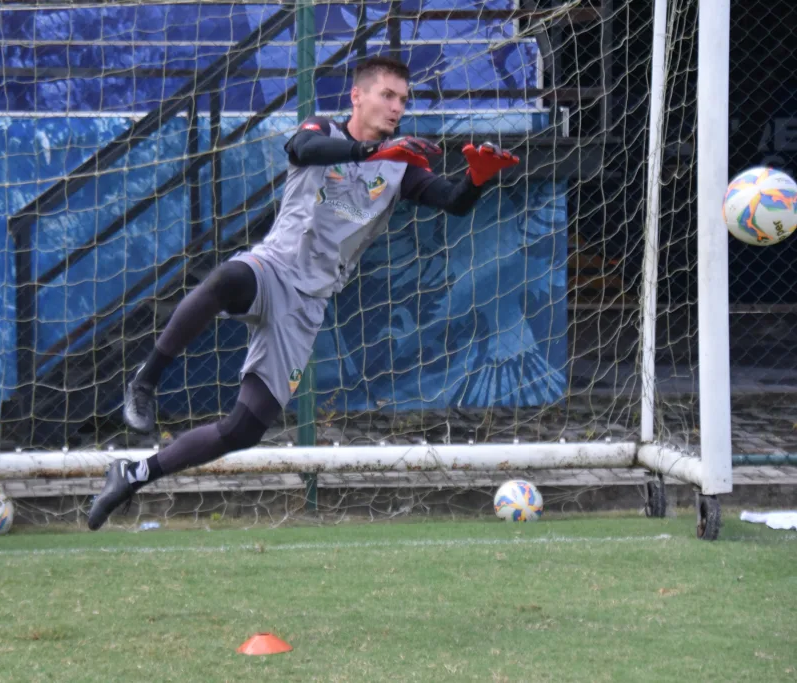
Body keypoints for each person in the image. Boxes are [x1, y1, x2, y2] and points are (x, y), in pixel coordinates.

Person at [88, 55, 519, 529]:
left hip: (307, 304)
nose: (397, 107)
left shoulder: (401, 166)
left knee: (245, 428)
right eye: (387, 95)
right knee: (227, 279)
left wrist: (477, 179)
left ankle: (132, 474)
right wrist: (370, 154)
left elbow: (452, 202)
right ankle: (145, 381)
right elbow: (303, 147)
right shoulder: (326, 130)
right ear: (358, 96)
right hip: (274, 268)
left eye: (402, 99)